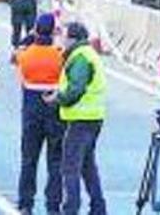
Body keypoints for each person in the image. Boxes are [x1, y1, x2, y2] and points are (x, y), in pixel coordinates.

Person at [43, 21, 107, 215]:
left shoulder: (79, 58)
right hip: (92, 117)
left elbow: (76, 88)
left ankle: (70, 208)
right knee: (87, 166)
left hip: (81, 119)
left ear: (73, 38)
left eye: (64, 35)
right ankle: (98, 207)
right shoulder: (87, 54)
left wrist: (57, 98)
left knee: (70, 167)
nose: (61, 39)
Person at [13, 14, 65, 215]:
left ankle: (26, 203)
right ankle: (53, 205)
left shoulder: (25, 56)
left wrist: (29, 38)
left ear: (36, 30)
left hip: (31, 110)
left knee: (29, 159)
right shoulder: (59, 56)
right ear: (53, 32)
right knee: (55, 160)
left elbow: (15, 52)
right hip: (54, 111)